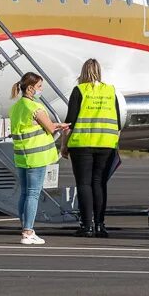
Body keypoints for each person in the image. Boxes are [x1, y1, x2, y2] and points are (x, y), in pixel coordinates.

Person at [60, 58, 121, 238]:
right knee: (99, 184)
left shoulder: (79, 90)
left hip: (82, 144)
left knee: (84, 184)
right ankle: (100, 225)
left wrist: (64, 145)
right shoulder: (111, 91)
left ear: (83, 72)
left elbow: (70, 121)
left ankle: (86, 226)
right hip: (106, 144)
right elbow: (117, 123)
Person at [9, 72, 68, 246]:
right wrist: (60, 125)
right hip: (37, 156)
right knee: (33, 193)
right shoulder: (35, 107)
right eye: (39, 87)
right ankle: (28, 232)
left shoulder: (17, 107)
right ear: (30, 88)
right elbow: (49, 128)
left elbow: (33, 127)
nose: (41, 90)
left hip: (22, 155)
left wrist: (53, 126)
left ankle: (25, 227)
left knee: (25, 193)